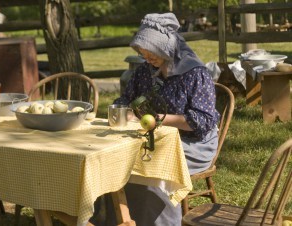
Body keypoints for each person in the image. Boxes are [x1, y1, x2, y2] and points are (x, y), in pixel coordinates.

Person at [87, 12, 219, 226]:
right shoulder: (145, 71)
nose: (148, 59)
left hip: (193, 144)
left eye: (152, 54)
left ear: (167, 48)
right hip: (154, 137)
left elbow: (203, 122)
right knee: (114, 159)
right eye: (144, 54)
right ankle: (116, 221)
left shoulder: (195, 73)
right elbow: (126, 98)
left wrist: (159, 119)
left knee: (149, 167)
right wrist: (123, 111)